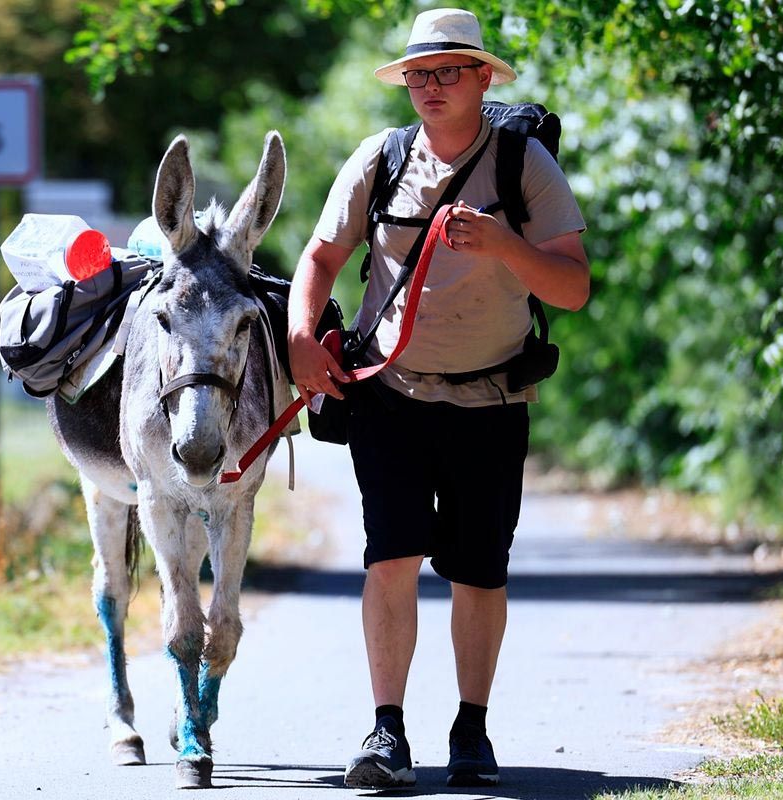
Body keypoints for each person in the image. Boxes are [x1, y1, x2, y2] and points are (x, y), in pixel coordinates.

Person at [287, 7, 589, 790]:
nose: (429, 86)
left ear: (483, 77)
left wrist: (504, 246)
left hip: (491, 400)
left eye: (447, 71)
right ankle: (386, 732)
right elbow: (320, 256)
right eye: (419, 74)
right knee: (391, 555)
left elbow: (574, 286)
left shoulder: (524, 164)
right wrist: (300, 335)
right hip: (388, 395)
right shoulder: (380, 159)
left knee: (479, 571)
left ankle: (471, 731)